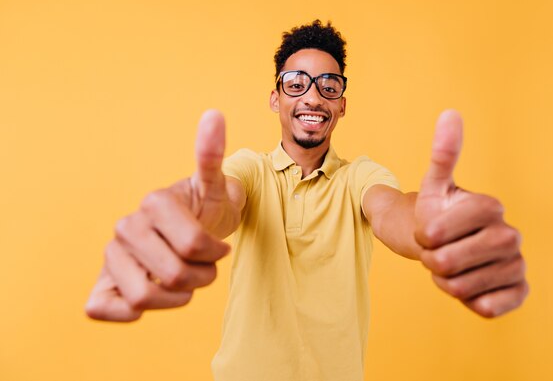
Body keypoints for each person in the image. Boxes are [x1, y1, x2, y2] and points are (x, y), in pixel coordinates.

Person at [85, 20, 528, 380]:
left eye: (328, 85)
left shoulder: (361, 177)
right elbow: (224, 202)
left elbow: (394, 211)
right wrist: (188, 213)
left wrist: (436, 228)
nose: (312, 96)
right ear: (275, 98)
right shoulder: (250, 170)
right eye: (296, 83)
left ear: (342, 104)